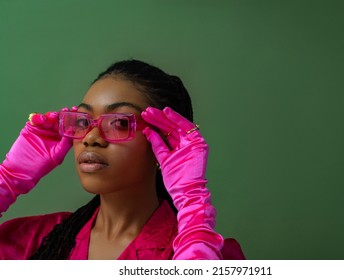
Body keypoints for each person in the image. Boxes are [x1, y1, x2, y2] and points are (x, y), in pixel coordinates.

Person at [0, 59, 245, 260]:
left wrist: (192, 202)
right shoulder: (34, 240)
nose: (92, 137)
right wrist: (8, 179)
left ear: (166, 143)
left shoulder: (214, 254)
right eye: (83, 121)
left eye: (118, 122)